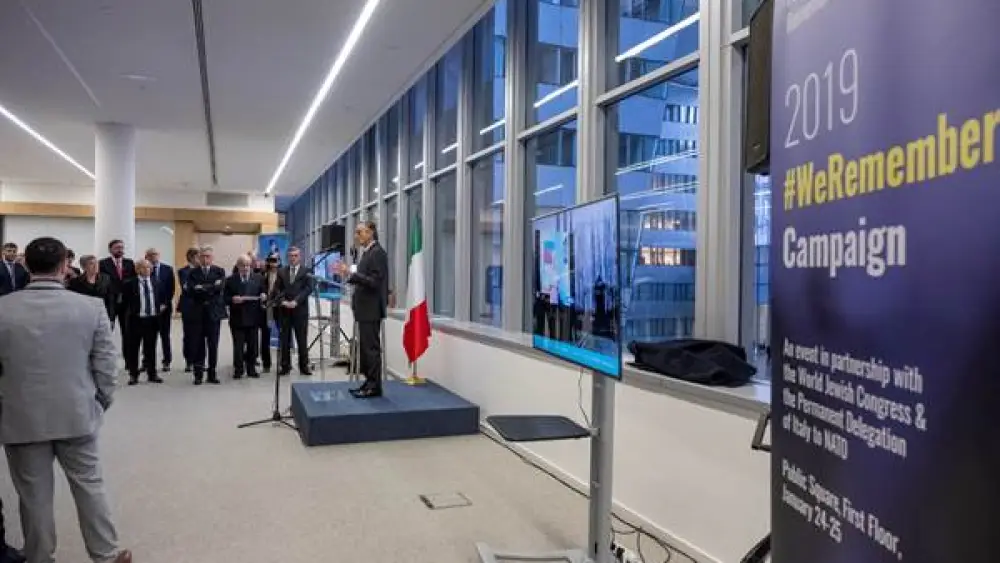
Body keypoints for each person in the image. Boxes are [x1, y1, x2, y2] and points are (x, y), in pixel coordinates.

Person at [0, 237, 132, 563]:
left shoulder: (2, 308)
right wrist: (100, 402)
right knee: (90, 486)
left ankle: (39, 557)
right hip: (77, 413)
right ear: (64, 267)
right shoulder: (91, 308)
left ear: (26, 266)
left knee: (33, 497)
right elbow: (107, 365)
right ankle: (106, 555)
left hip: (20, 417)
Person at [335, 221, 389, 398]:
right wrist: (348, 275)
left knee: (371, 349)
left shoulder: (378, 253)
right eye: (356, 232)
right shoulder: (366, 253)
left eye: (360, 232)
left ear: (370, 232)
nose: (357, 236)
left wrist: (351, 273)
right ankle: (368, 382)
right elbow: (363, 278)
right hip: (363, 308)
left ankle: (374, 386)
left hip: (371, 309)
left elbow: (374, 282)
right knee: (365, 349)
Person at [184, 245, 226, 385]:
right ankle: (198, 374)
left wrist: (202, 287)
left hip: (213, 314)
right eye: (202, 256)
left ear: (212, 258)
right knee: (198, 344)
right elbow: (191, 290)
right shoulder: (192, 273)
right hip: (197, 313)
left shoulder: (219, 271)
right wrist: (210, 287)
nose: (205, 258)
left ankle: (212, 374)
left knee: (213, 344)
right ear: (199, 257)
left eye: (208, 256)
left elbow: (219, 288)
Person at [270, 246, 314, 376]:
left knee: (301, 340)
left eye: (295, 256)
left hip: (300, 311)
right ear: (287, 257)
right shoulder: (281, 272)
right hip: (284, 312)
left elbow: (308, 289)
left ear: (299, 257)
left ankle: (303, 366)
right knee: (285, 340)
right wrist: (283, 302)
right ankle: (285, 366)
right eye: (291, 256)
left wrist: (296, 301)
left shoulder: (306, 271)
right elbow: (276, 289)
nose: (293, 258)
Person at [121, 260, 166, 385]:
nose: (147, 269)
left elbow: (162, 297)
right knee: (133, 348)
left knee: (150, 348)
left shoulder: (156, 282)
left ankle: (152, 373)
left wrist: (161, 307)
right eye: (144, 267)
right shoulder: (129, 284)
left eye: (149, 267)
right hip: (136, 320)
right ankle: (133, 375)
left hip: (152, 320)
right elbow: (124, 302)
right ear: (138, 269)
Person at [224, 256, 266, 379]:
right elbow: (224, 298)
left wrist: (264, 295)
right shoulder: (231, 280)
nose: (246, 268)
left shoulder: (259, 278)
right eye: (243, 265)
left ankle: (251, 369)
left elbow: (264, 292)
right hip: (237, 319)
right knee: (238, 346)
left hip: (253, 318)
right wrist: (232, 299)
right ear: (238, 266)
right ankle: (238, 370)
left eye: (248, 265)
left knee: (253, 346)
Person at [98, 239, 136, 356]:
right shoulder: (103, 263)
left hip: (126, 302)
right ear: (110, 249)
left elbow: (133, 280)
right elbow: (104, 281)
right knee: (107, 330)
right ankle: (105, 356)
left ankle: (128, 359)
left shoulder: (129, 263)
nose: (120, 250)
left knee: (127, 332)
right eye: (117, 247)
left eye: (122, 247)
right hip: (110, 302)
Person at [145, 248, 175, 372]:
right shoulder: (144, 269)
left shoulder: (167, 269)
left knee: (165, 335)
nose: (153, 257)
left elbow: (171, 289)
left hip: (164, 308)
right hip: (148, 309)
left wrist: (165, 303)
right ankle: (146, 362)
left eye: (155, 254)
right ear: (146, 257)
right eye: (151, 255)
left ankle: (166, 361)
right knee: (148, 337)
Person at [68, 255, 114, 321]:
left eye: (97, 263)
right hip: (83, 315)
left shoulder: (106, 278)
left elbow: (110, 300)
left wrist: (111, 318)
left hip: (102, 315)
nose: (96, 266)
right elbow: (73, 302)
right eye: (91, 263)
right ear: (84, 267)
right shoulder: (75, 282)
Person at [176, 247, 200, 373]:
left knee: (200, 335)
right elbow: (186, 287)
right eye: (198, 257)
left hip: (201, 307)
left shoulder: (203, 270)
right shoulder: (183, 271)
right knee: (189, 335)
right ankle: (189, 361)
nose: (200, 259)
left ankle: (199, 361)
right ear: (191, 257)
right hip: (188, 307)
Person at [258, 254, 280, 373]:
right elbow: (260, 288)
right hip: (267, 308)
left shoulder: (283, 274)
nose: (273, 263)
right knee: (265, 336)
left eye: (275, 260)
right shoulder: (263, 274)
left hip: (279, 307)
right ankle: (266, 363)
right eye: (270, 260)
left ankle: (285, 363)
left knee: (284, 336)